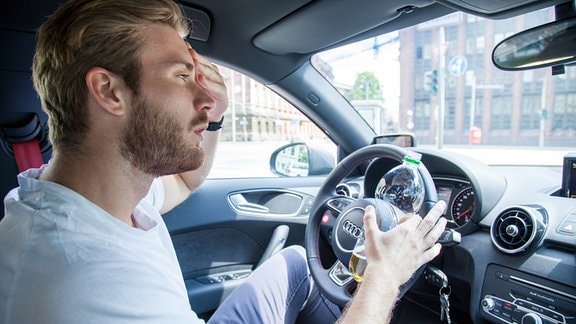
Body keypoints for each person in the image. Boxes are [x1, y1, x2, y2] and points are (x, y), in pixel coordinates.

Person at [0, 0, 447, 323]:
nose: (206, 99)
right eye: (180, 76)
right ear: (110, 92)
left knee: (295, 264)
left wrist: (213, 118)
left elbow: (187, 183)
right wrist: (386, 273)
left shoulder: (93, 194)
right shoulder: (88, 282)